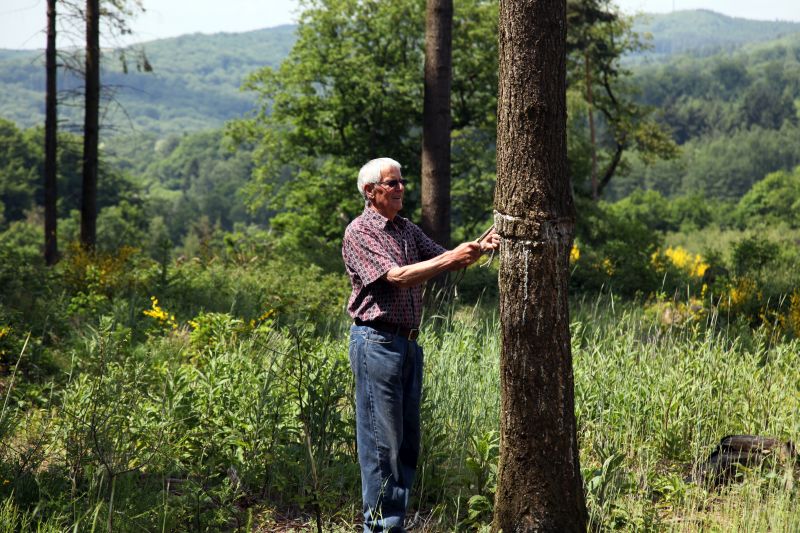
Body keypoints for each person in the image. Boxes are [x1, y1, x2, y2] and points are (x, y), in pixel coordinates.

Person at [342, 157, 499, 531]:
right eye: (391, 183)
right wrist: (451, 258)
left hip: (408, 345)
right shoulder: (360, 231)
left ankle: (392, 523)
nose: (400, 189)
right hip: (375, 342)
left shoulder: (406, 229)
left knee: (406, 443)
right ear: (371, 191)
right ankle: (381, 527)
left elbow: (444, 257)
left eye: (401, 182)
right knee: (383, 446)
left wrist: (478, 246)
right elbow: (397, 277)